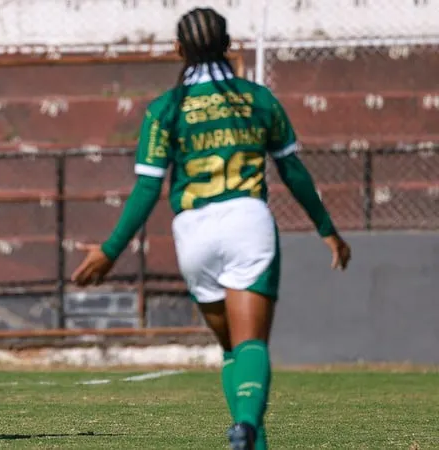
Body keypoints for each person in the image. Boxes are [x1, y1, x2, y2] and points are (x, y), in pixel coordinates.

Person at [71, 7, 351, 450]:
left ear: (178, 50)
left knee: (229, 349)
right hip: (247, 221)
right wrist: (327, 229)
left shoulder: (165, 108)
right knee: (251, 344)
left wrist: (110, 250)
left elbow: (147, 189)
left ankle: (249, 439)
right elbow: (293, 171)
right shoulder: (258, 99)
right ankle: (245, 429)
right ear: (229, 45)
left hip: (193, 231)